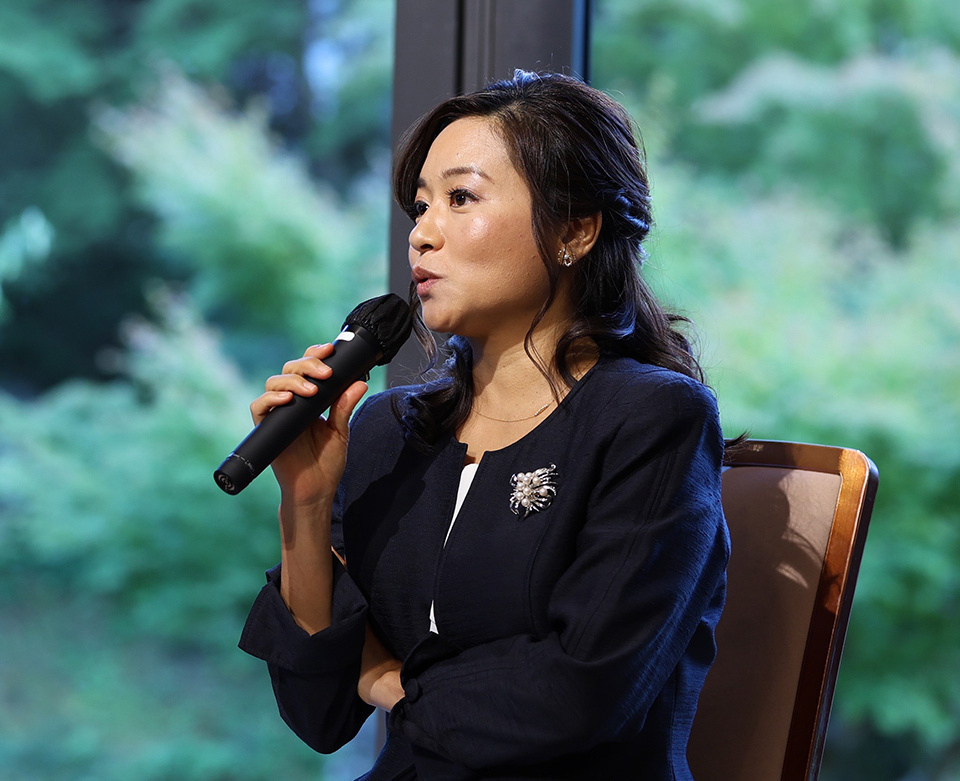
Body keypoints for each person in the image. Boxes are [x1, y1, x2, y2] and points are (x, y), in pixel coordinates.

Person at [238, 70, 730, 780]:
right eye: (419, 206)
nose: (422, 235)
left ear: (576, 229)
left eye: (460, 198)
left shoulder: (654, 419)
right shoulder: (384, 427)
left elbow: (578, 693)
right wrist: (306, 501)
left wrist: (388, 681)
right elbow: (318, 713)